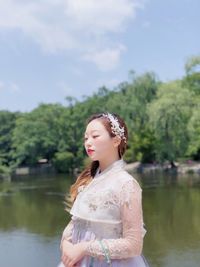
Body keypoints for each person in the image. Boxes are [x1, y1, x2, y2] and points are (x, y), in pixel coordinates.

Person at [59, 112, 150, 267]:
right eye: (86, 138)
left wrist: (84, 248)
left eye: (95, 136)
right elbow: (75, 225)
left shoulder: (126, 184)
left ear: (116, 140)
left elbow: (134, 245)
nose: (88, 142)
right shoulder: (89, 181)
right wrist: (65, 245)